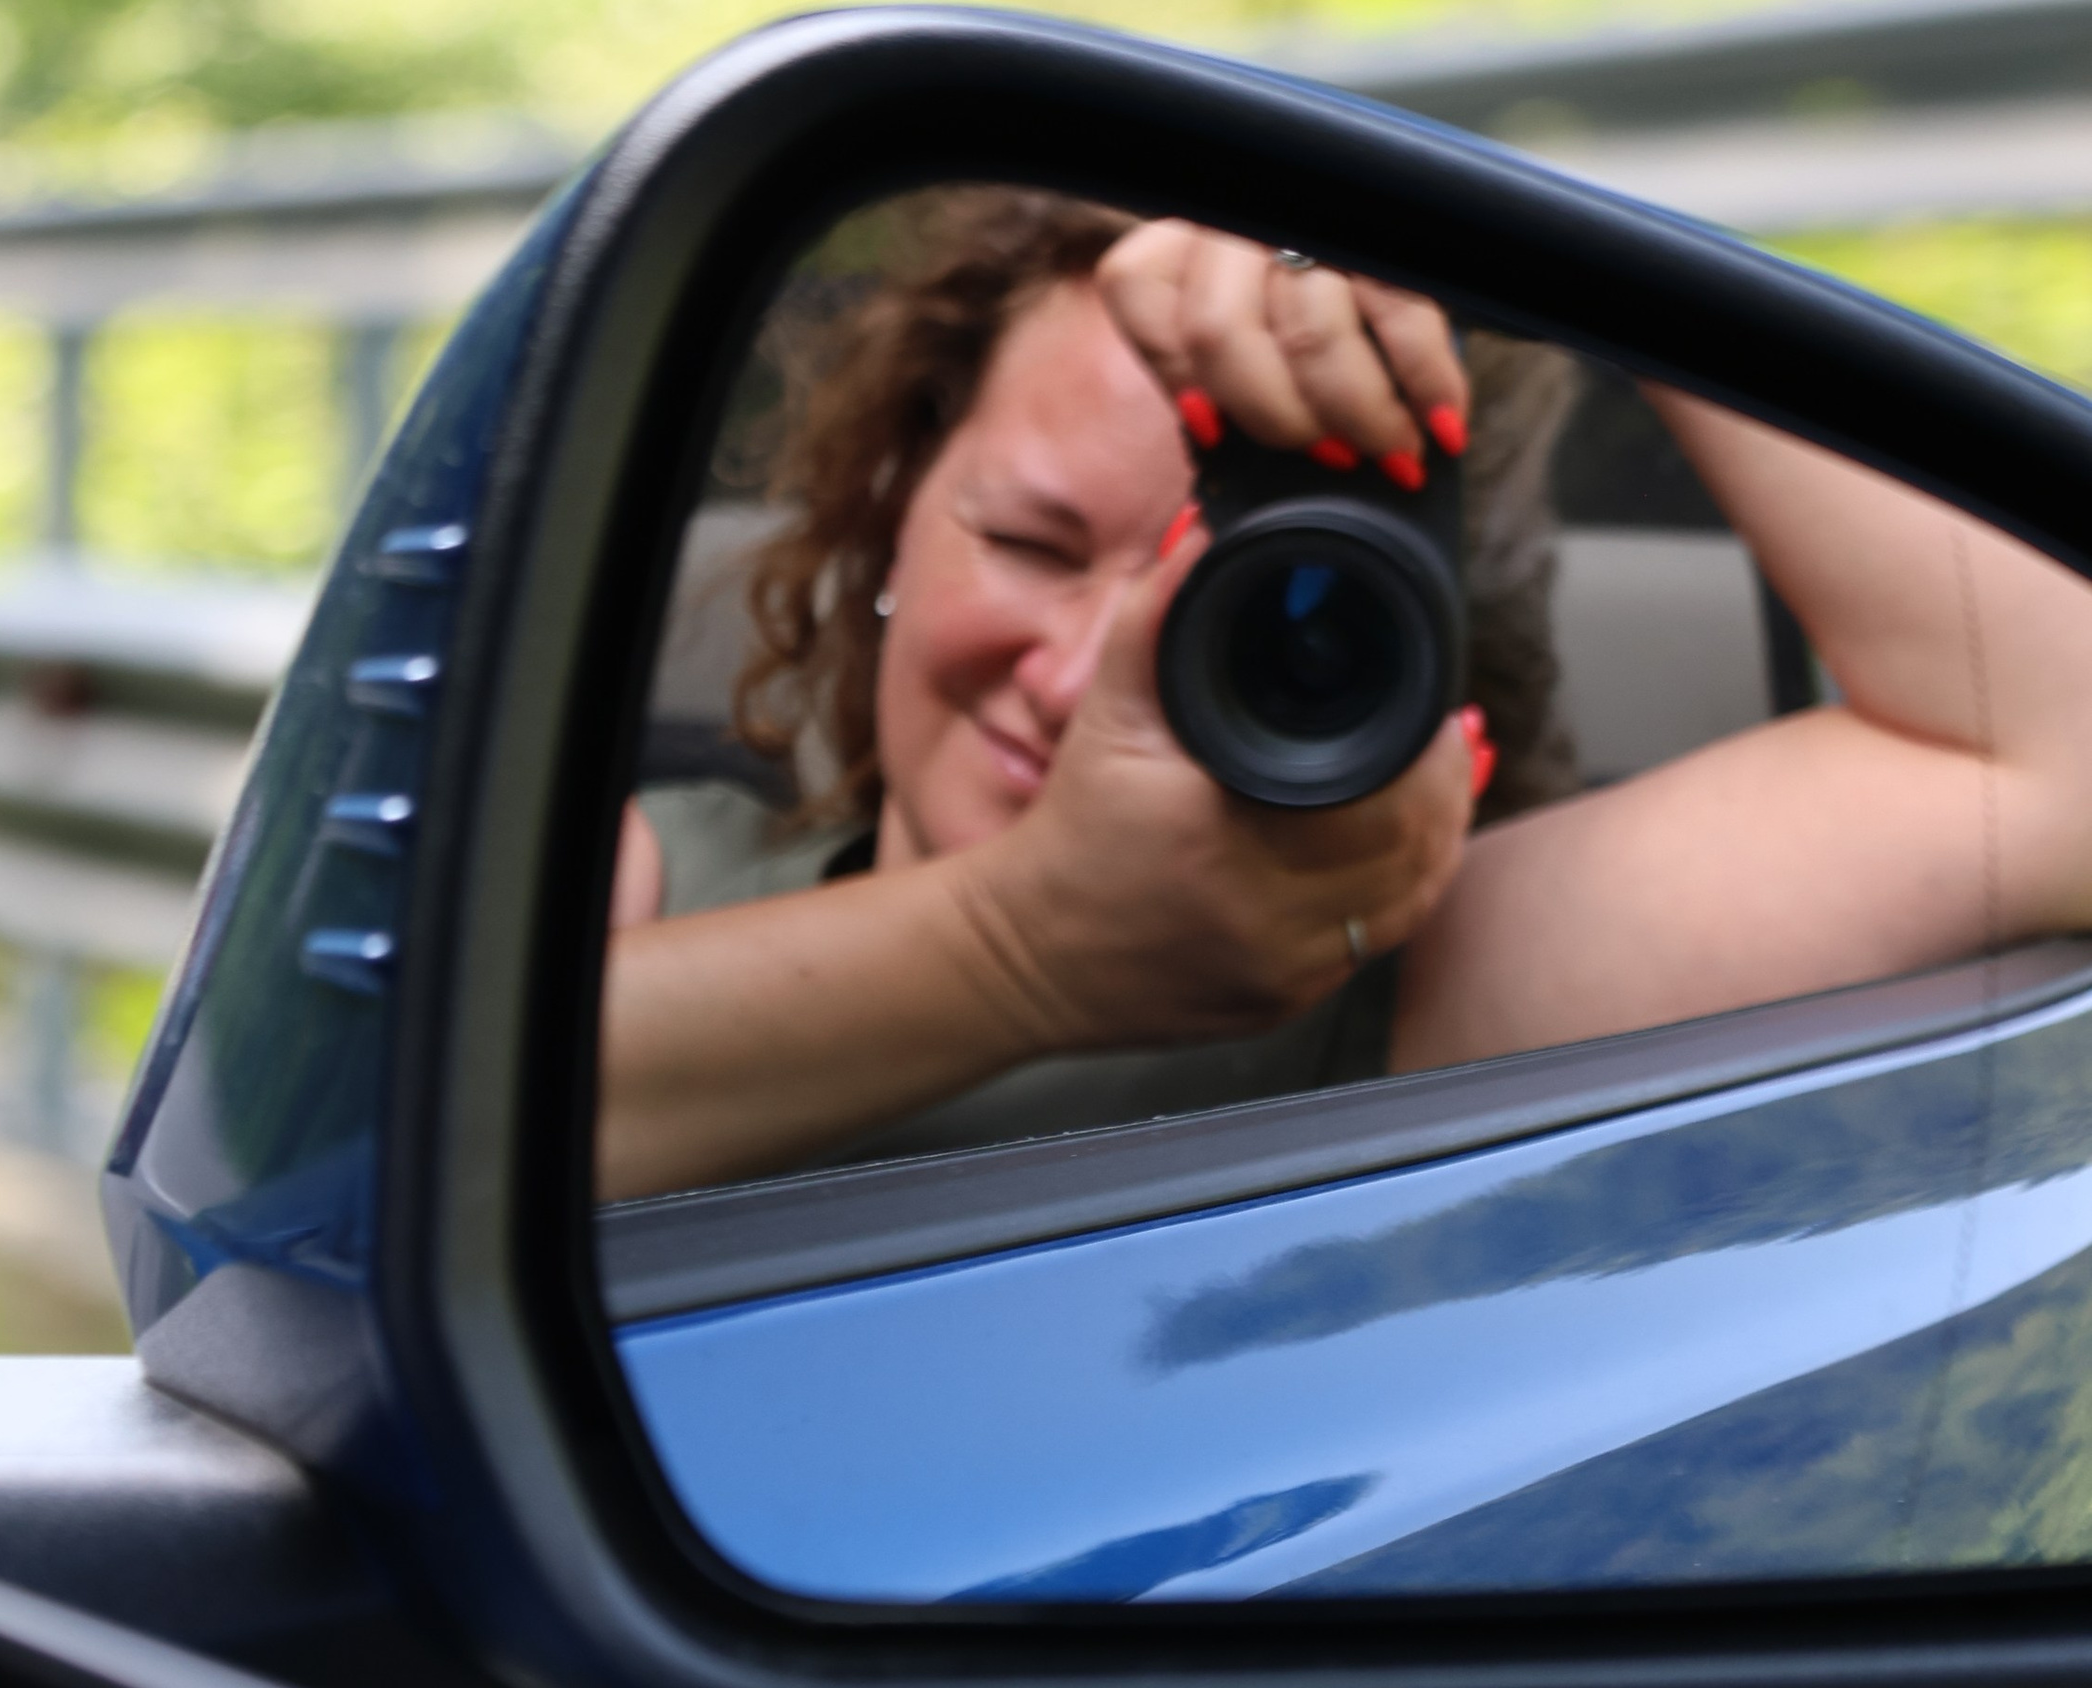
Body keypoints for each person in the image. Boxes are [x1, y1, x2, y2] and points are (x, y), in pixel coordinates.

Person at [600, 190, 2092, 1203]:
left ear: (1422, 660)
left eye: (1264, 611)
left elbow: (2061, 756)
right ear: (889, 517)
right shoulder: (632, 877)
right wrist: (1025, 949)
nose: (1084, 679)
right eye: (1029, 542)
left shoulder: (1420, 995)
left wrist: (1490, 214)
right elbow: (394, 1125)